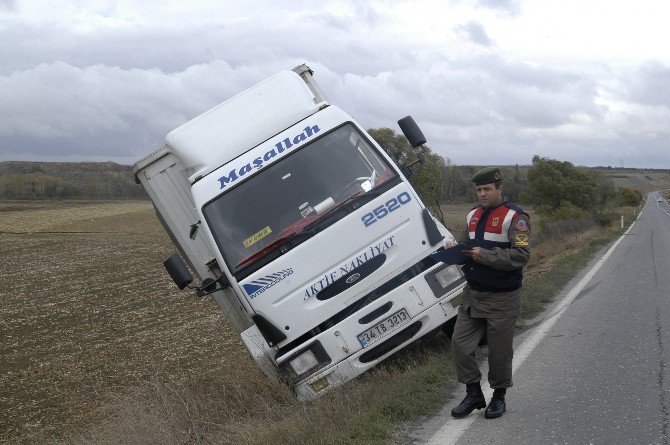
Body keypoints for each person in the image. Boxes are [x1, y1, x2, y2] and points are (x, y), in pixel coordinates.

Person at [449, 167, 531, 419]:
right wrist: (454, 249)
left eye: (487, 189)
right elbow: (467, 247)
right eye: (478, 190)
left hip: (503, 296)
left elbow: (521, 255)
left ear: (499, 189)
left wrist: (483, 255)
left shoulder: (515, 217)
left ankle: (499, 397)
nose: (482, 194)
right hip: (473, 294)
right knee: (460, 346)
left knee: (499, 353)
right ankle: (473, 394)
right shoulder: (472, 214)